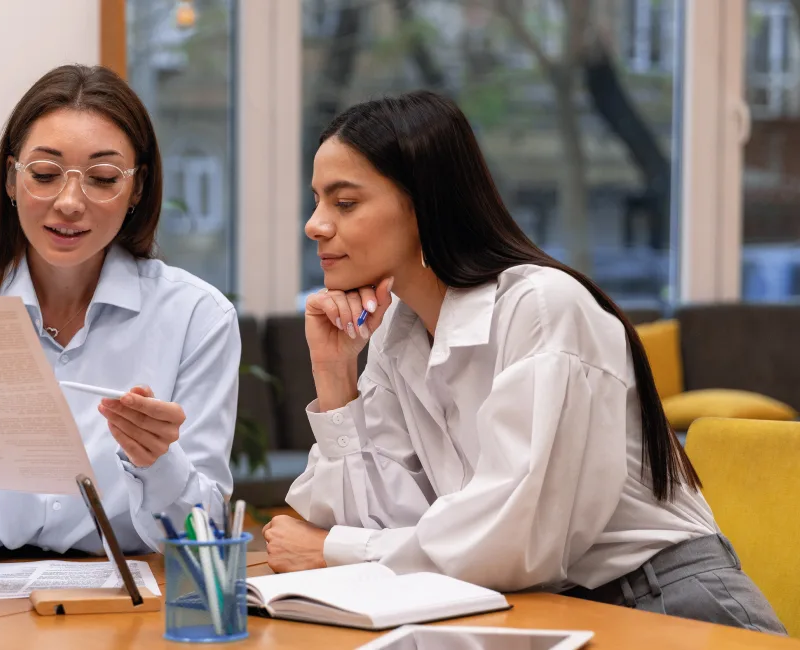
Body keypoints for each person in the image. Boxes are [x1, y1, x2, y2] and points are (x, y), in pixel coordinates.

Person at [263, 90, 785, 634]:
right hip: (545, 607)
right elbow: (379, 522)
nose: (315, 225)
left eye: (345, 203)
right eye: (317, 201)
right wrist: (335, 375)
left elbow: (515, 545)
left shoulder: (541, 307)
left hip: (666, 603)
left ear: (424, 204)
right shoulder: (400, 330)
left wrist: (335, 549)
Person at [0, 65, 239, 568]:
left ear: (137, 188)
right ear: (11, 179)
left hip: (135, 601)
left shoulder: (197, 317)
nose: (69, 203)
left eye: (103, 179)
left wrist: (157, 461)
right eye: (44, 175)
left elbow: (201, 537)